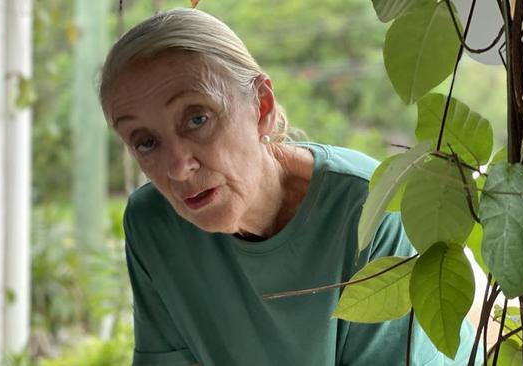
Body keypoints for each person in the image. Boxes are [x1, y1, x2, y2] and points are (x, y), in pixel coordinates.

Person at [99, 8, 477, 366]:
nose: (179, 168)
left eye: (197, 118)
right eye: (146, 142)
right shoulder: (154, 224)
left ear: (261, 107)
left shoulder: (371, 209)